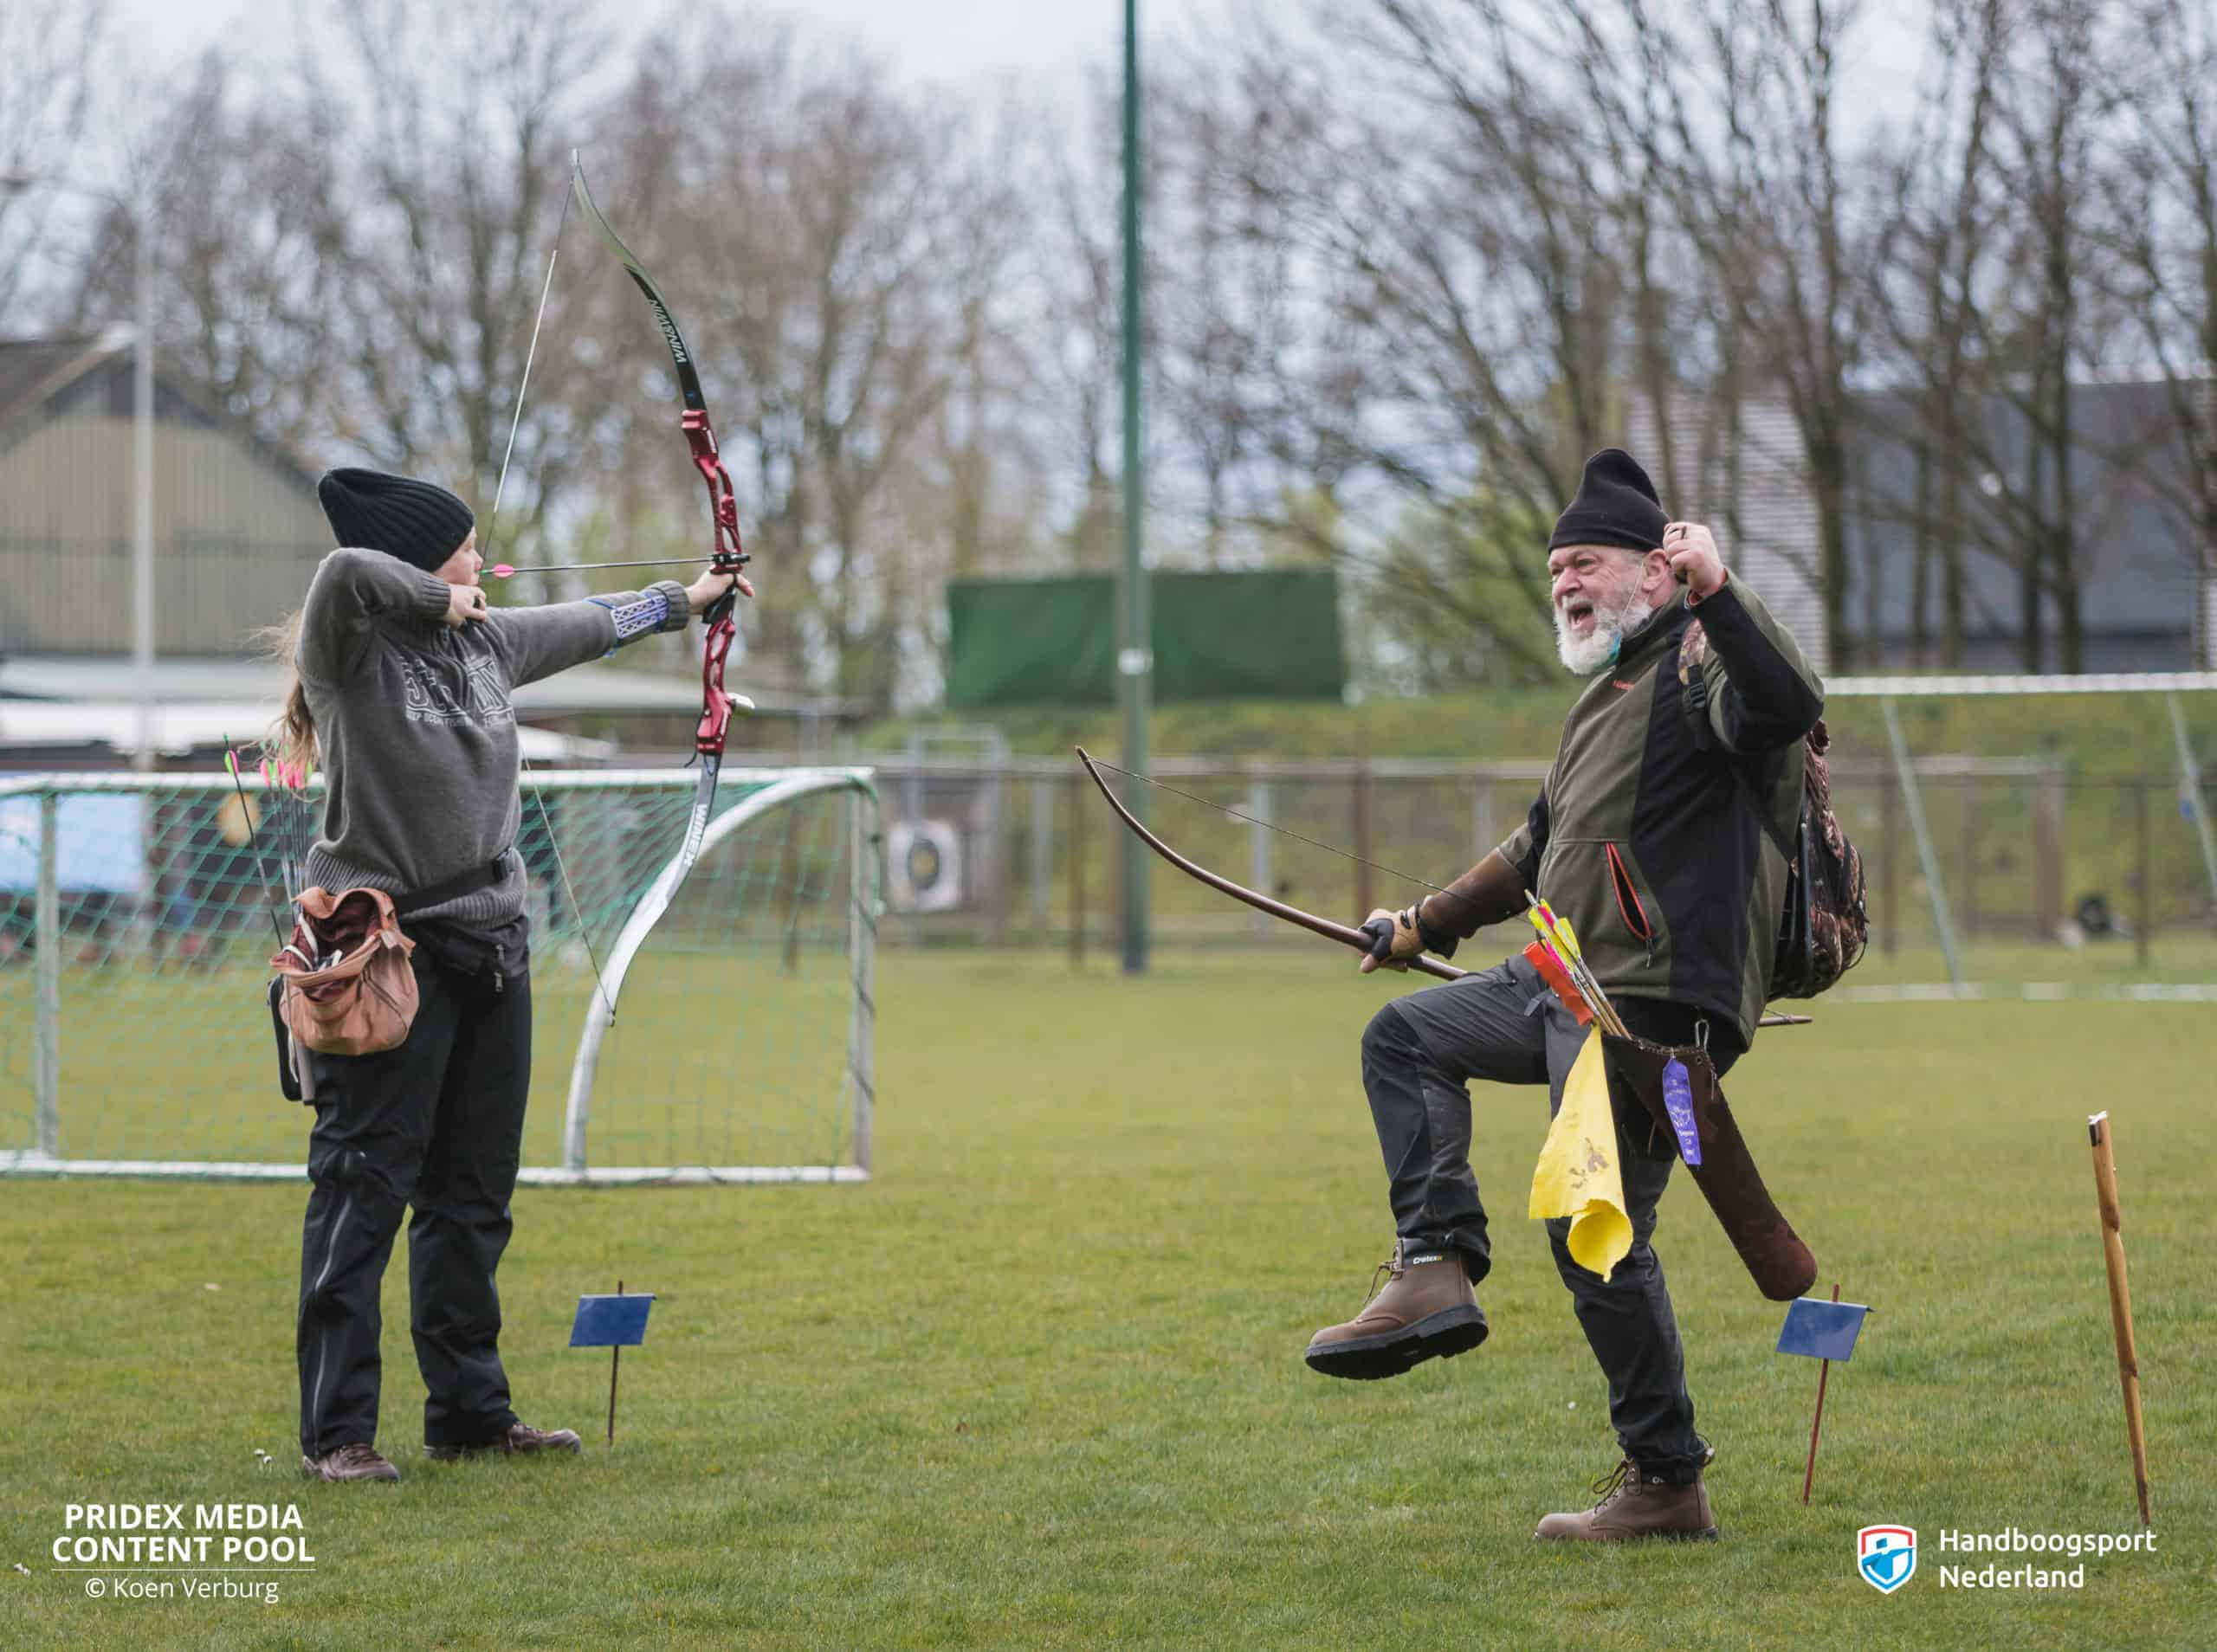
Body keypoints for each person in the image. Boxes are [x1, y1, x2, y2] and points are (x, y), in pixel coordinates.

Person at [1306, 448, 1823, 1541]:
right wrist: (1420, 927)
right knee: (1403, 1037)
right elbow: (1531, 849)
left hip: (1649, 1013)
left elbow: (1785, 704)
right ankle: (1434, 1263)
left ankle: (1666, 1482)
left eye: (1583, 563)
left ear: (1653, 573)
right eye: (1554, 573)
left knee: (1593, 1236)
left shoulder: (1698, 661)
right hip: (1557, 983)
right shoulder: (1605, 698)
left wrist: (1721, 592)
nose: (1565, 586)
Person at [272, 468, 747, 1483]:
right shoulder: (349, 649)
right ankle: (337, 1435)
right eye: (464, 546)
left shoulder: (487, 642)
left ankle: (470, 1415)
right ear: (422, 561)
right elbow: (343, 572)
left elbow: (591, 621)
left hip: (492, 948)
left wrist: (688, 600)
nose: (480, 559)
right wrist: (436, 594)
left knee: (473, 1196)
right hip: (386, 955)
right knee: (364, 1192)